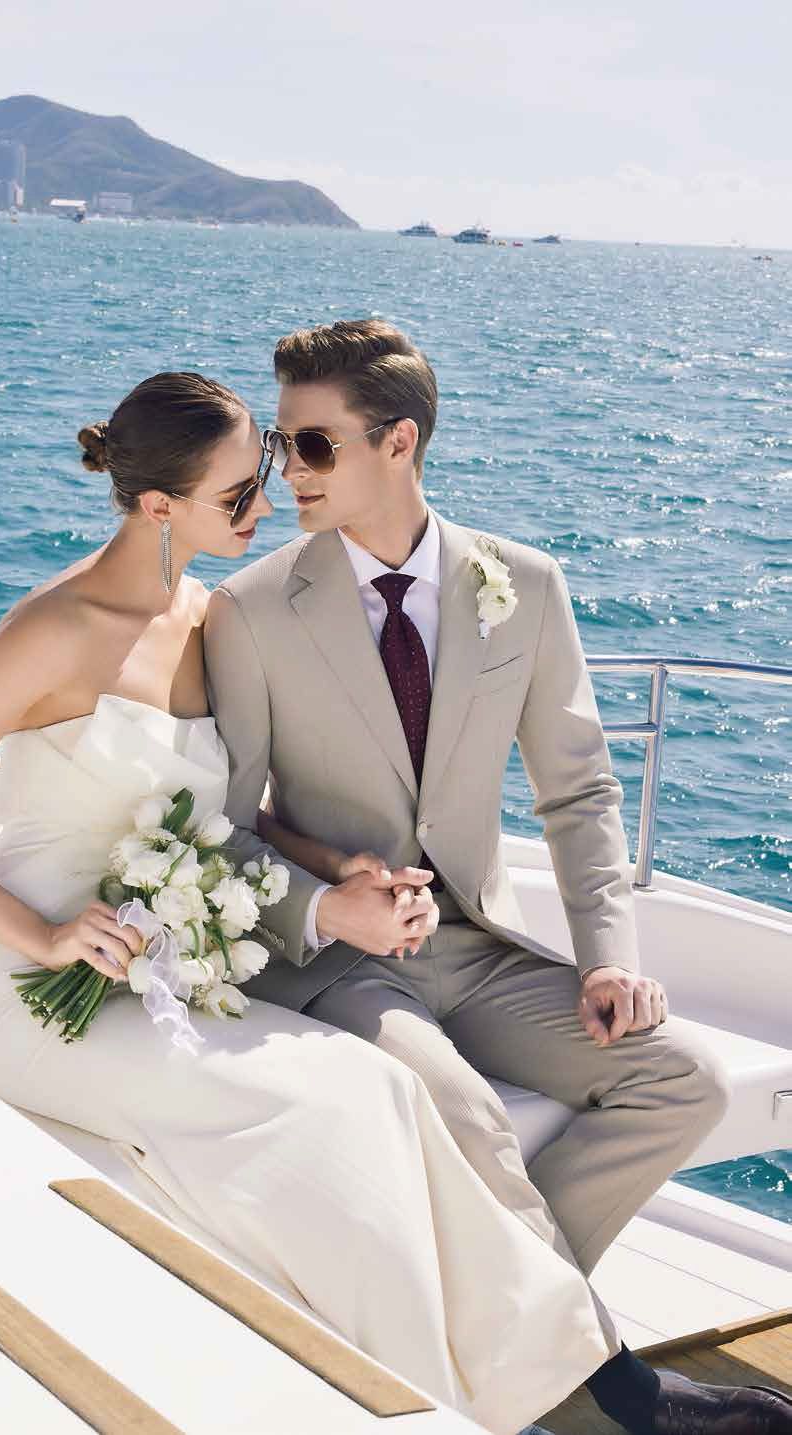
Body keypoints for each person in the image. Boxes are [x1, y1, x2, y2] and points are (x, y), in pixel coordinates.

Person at [0, 371, 616, 1435]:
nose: (264, 508)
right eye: (236, 494)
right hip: (33, 993)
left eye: (261, 477)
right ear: (157, 507)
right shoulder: (55, 628)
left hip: (167, 970)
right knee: (327, 1112)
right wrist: (43, 933)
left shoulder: (205, 613)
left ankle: (559, 1386)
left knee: (382, 1088)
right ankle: (428, 1402)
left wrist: (338, 868)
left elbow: (236, 806)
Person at [204, 320, 792, 1435]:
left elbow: (577, 795)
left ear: (400, 442)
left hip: (479, 944)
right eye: (280, 449)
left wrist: (612, 960)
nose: (289, 477)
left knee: (686, 1079)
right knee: (463, 1108)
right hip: (339, 965)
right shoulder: (253, 609)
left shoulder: (521, 584)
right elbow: (229, 829)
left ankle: (492, 1355)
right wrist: (330, 906)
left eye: (313, 447)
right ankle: (602, 1396)